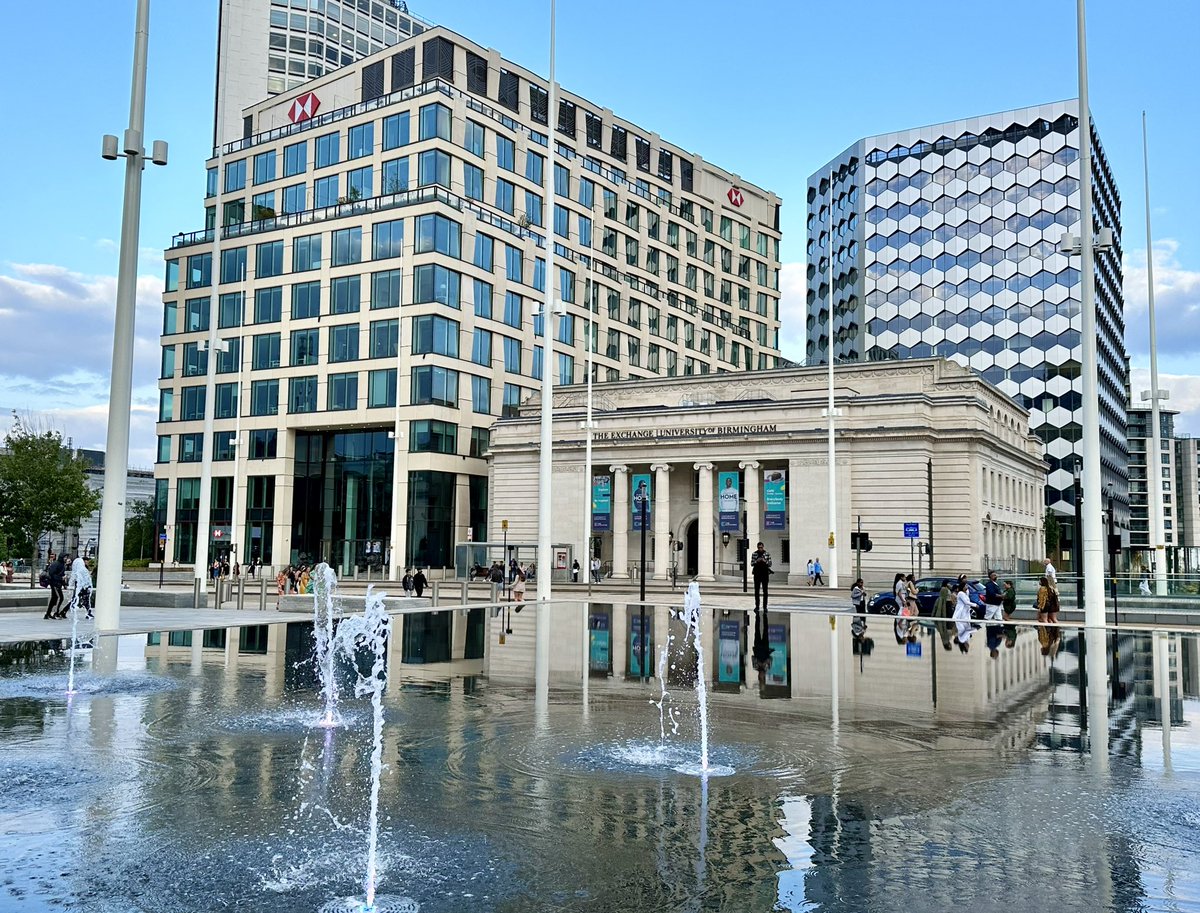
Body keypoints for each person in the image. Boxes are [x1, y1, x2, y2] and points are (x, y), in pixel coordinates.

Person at [68, 555, 94, 620]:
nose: (88, 562)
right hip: (81, 586)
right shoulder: (82, 568)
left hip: (84, 586)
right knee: (76, 599)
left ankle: (89, 612)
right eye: (87, 561)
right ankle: (64, 611)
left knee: (84, 600)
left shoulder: (84, 568)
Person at [750, 542, 772, 613]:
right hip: (757, 574)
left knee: (765, 591)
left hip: (765, 574)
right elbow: (752, 563)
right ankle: (757, 606)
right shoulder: (754, 554)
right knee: (757, 591)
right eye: (759, 548)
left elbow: (770, 563)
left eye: (761, 547)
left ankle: (765, 606)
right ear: (757, 547)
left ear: (763, 547)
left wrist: (764, 561)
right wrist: (757, 561)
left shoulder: (767, 554)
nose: (760, 549)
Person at [932, 578, 954, 651]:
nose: (950, 584)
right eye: (949, 583)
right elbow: (943, 599)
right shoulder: (944, 589)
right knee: (948, 617)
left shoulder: (946, 588)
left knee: (949, 616)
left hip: (948, 603)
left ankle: (948, 625)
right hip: (947, 604)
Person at [43, 554, 66, 620]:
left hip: (57, 584)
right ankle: (55, 613)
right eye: (65, 557)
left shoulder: (61, 564)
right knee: (59, 598)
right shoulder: (56, 564)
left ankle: (48, 613)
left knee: (54, 598)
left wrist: (64, 584)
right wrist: (61, 579)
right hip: (55, 584)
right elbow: (52, 574)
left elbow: (61, 574)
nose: (66, 559)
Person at [953, 583, 974, 652]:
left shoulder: (962, 639)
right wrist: (973, 630)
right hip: (963, 615)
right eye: (966, 586)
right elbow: (967, 631)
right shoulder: (961, 593)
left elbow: (967, 632)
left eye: (967, 647)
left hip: (963, 616)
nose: (968, 646)